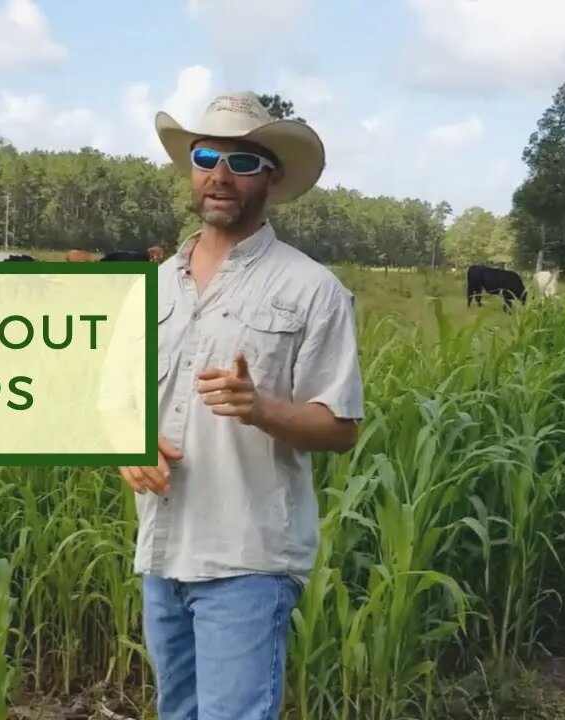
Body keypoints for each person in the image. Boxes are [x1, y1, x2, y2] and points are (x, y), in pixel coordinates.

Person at [102, 90, 365, 719]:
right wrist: (126, 448)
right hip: (162, 552)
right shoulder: (155, 283)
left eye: (243, 162)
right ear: (191, 167)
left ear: (271, 178)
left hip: (247, 557)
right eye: (207, 156)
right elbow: (114, 396)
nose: (221, 175)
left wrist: (260, 407)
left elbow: (340, 427)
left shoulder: (311, 290)